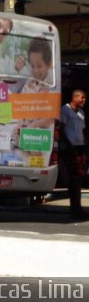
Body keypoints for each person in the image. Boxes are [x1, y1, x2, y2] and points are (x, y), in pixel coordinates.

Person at [60, 89, 88, 220]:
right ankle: (75, 208)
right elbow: (61, 130)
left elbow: (82, 132)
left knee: (78, 178)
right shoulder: (65, 110)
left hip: (80, 148)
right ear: (75, 97)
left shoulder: (81, 113)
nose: (84, 100)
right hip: (69, 149)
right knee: (74, 177)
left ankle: (77, 207)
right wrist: (69, 146)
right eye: (82, 98)